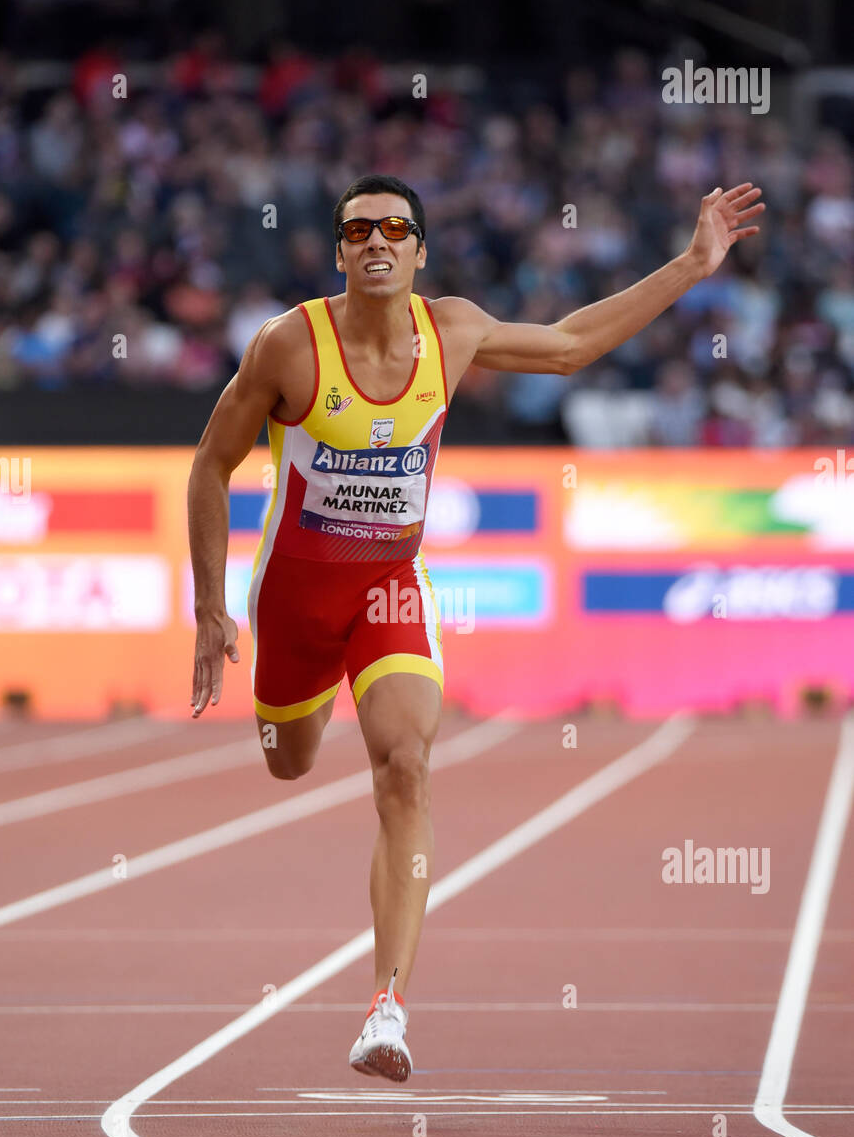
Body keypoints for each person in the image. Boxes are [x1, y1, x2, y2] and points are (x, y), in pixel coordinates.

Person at [187, 172, 764, 1082]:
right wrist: (208, 606)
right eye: (357, 231)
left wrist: (692, 265)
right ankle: (309, 706)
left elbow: (571, 344)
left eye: (394, 229)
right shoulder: (288, 346)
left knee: (406, 768)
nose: (376, 242)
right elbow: (211, 466)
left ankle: (386, 1008)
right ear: (339, 253)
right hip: (296, 597)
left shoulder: (450, 330)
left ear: (420, 251)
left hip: (389, 586)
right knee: (287, 759)